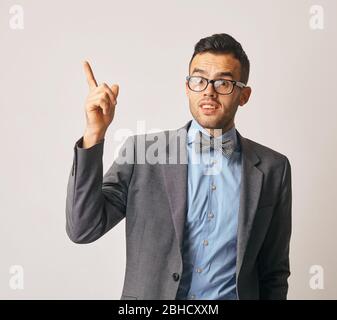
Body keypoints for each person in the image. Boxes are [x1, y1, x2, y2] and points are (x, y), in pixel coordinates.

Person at [66, 33, 292, 300]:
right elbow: (83, 228)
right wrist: (94, 134)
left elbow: (273, 272)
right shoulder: (142, 154)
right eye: (199, 80)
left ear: (244, 95)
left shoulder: (274, 168)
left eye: (224, 83)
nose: (209, 90)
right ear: (187, 87)